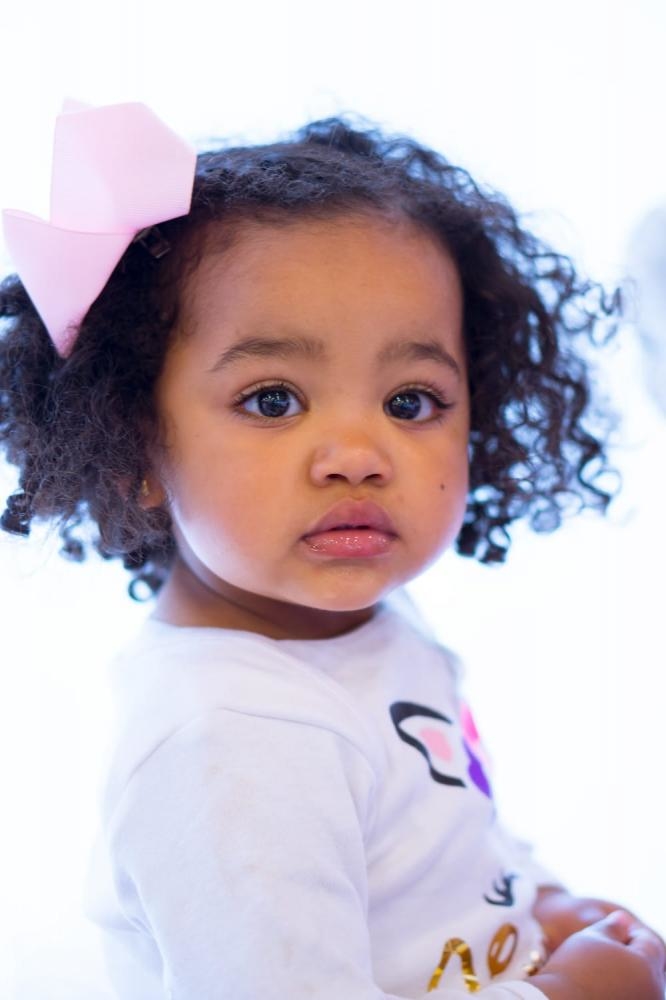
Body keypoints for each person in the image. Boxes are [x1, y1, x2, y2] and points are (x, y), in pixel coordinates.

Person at [0, 100, 664, 1000]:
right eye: (273, 399)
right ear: (134, 443)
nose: (358, 454)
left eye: (410, 402)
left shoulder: (359, 625)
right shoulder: (230, 746)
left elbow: (449, 836)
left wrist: (539, 903)